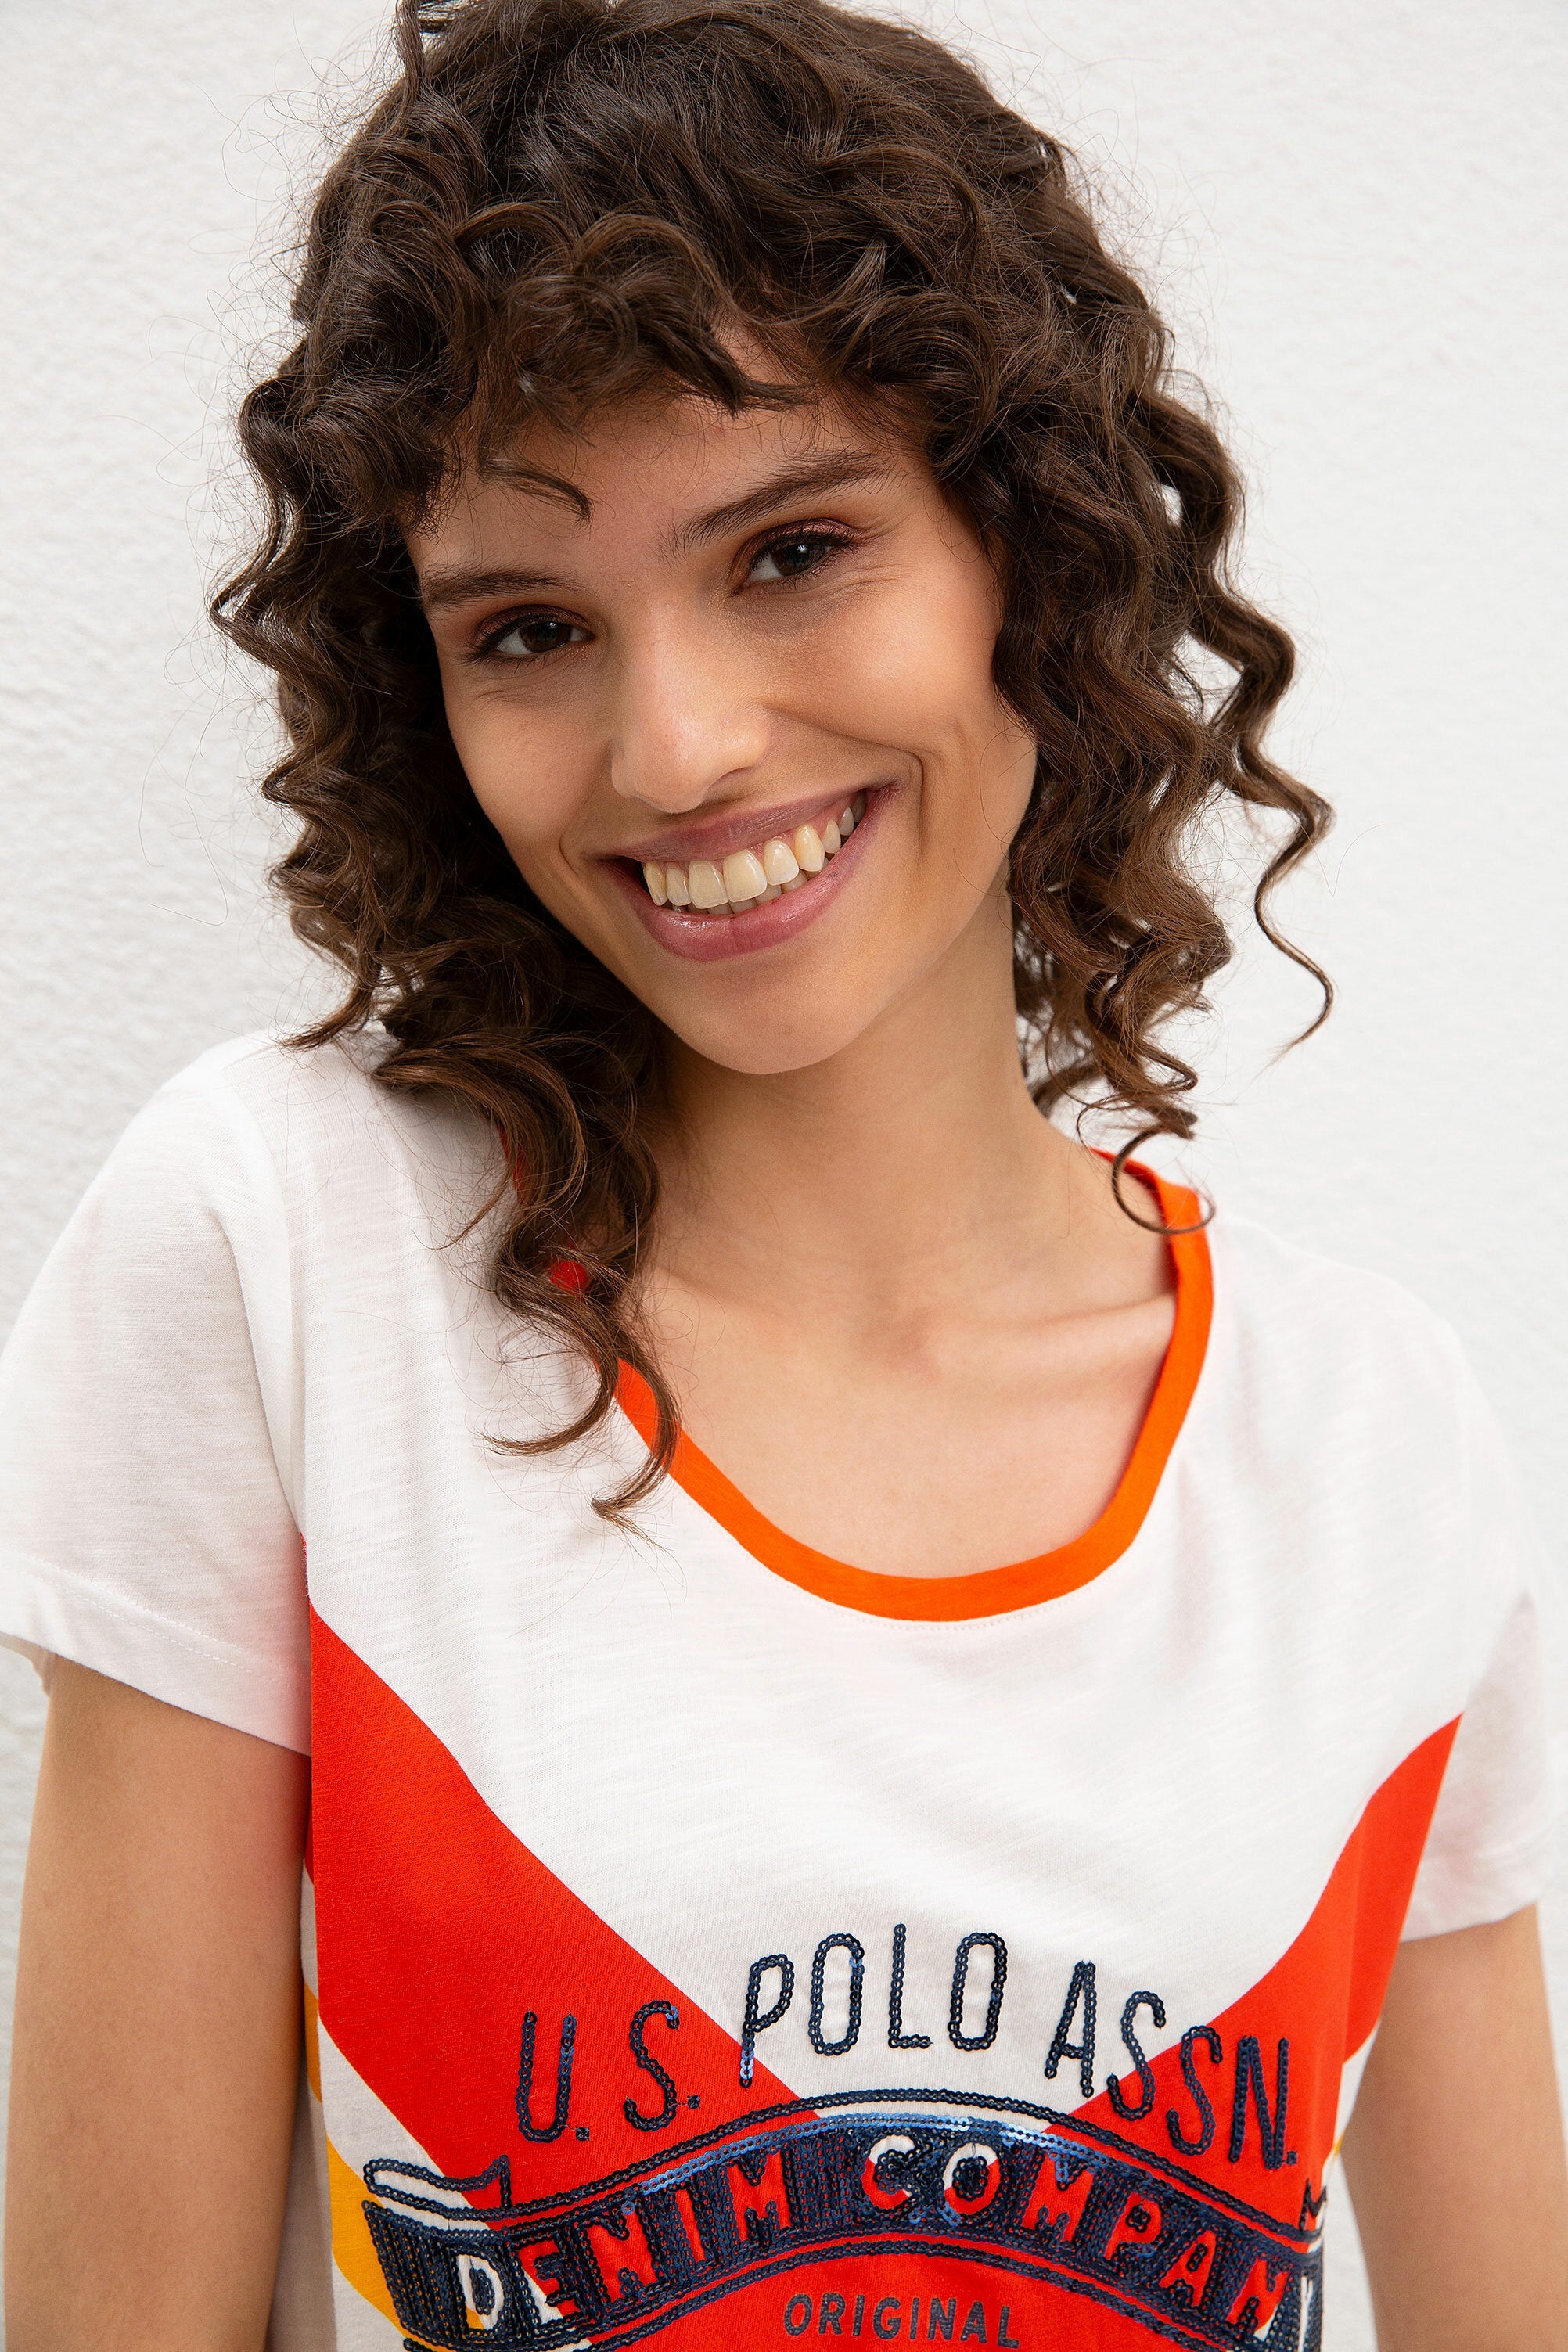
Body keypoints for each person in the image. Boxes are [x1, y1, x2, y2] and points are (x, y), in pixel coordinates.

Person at [3, 0, 1565, 2343]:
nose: (676, 745)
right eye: (531, 629)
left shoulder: (1372, 1440)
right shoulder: (283, 1254)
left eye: (794, 550)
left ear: (1029, 551)